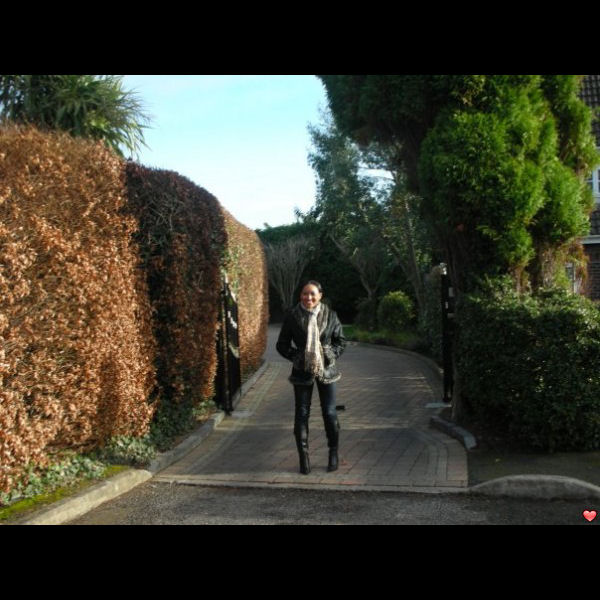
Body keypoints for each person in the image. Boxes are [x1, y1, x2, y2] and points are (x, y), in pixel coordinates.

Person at [276, 280, 347, 475]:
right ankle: (304, 457)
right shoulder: (292, 316)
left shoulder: (331, 315)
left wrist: (329, 354)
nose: (308, 297)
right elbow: (281, 344)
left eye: (312, 294)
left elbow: (341, 341)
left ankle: (333, 453)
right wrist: (297, 356)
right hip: (302, 371)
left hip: (327, 370)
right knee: (302, 413)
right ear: (300, 295)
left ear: (320, 295)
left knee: (330, 413)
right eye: (305, 294)